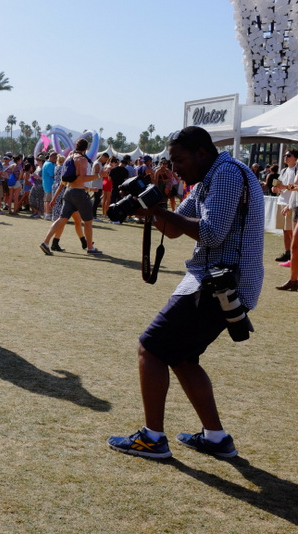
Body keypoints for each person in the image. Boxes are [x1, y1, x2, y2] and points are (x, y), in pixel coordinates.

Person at [108, 126, 264, 459]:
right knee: (181, 357)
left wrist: (158, 211)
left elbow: (211, 234)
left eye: (179, 160)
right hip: (216, 281)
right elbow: (175, 229)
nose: (175, 168)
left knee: (151, 348)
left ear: (201, 153)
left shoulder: (225, 175)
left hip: (218, 284)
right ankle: (216, 438)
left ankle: (152, 438)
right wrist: (148, 208)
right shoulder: (209, 178)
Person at [40, 138, 102, 255]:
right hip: (78, 193)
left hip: (68, 192)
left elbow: (63, 181)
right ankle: (90, 247)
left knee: (61, 219)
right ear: (86, 148)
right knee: (88, 221)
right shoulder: (82, 159)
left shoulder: (69, 157)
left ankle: (46, 242)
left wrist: (54, 198)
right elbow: (82, 178)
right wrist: (99, 175)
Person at [272, 150, 297, 264]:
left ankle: (294, 254)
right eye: (284, 155)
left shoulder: (296, 170)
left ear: (295, 158)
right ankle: (288, 253)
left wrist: (283, 187)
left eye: (288, 155)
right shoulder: (283, 170)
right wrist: (275, 189)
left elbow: (294, 186)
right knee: (285, 230)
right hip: (281, 201)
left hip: (290, 203)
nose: (285, 157)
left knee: (290, 230)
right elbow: (278, 185)